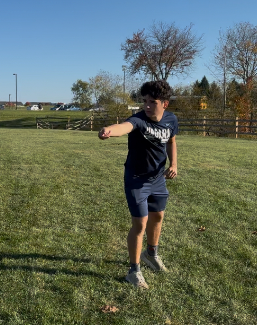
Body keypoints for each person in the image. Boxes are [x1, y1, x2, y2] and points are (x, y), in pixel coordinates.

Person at [98, 80, 178, 289]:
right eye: (145, 101)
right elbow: (125, 127)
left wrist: (174, 164)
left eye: (152, 102)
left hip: (158, 179)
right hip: (137, 180)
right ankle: (134, 271)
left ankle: (151, 254)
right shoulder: (139, 120)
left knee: (158, 216)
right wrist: (108, 130)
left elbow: (171, 141)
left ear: (165, 104)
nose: (147, 106)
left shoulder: (171, 120)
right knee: (140, 224)